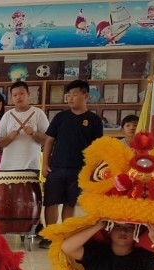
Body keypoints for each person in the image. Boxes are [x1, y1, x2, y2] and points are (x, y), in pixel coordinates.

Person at [40, 80, 104, 249]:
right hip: (56, 167)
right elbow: (49, 141)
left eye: (75, 94)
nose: (70, 98)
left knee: (70, 203)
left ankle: (66, 234)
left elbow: (97, 148)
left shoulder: (94, 120)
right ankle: (50, 235)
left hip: (79, 170)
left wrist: (92, 170)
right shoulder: (61, 117)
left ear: (85, 96)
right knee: (51, 202)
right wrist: (45, 164)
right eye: (68, 95)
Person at [0, 81, 49, 173]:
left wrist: (33, 133)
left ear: (28, 94)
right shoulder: (7, 115)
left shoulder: (38, 113)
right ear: (11, 98)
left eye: (21, 93)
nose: (18, 97)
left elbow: (48, 140)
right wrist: (9, 138)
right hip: (8, 166)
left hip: (31, 166)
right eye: (15, 95)